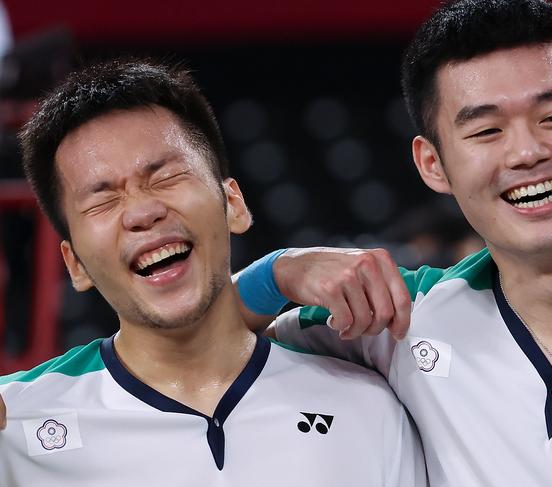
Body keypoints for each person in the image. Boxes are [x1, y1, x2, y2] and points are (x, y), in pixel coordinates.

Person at [231, 0, 552, 485]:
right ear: (433, 164)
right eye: (487, 130)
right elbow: (187, 336)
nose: (528, 151)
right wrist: (280, 271)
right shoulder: (400, 319)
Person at [0, 59, 426, 486]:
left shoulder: (367, 407)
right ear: (75, 265)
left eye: (166, 177)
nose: (143, 212)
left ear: (233, 205)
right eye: (102, 201)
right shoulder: (14, 426)